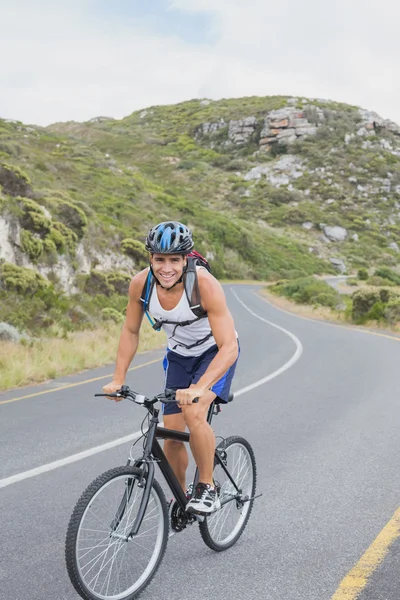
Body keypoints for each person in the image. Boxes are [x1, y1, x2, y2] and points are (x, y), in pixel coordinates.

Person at [103, 221, 239, 514]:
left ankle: (207, 487)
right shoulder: (141, 284)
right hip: (179, 356)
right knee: (171, 434)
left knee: (193, 410)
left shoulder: (204, 285)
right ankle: (181, 497)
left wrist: (200, 388)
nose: (167, 268)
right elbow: (130, 331)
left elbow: (229, 346)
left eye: (174, 260)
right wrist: (117, 379)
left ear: (186, 259)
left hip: (214, 353)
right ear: (150, 258)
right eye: (160, 259)